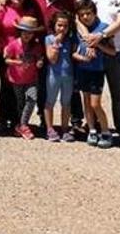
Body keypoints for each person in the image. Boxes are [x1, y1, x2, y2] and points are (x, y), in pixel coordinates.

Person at [78, 0, 120, 147]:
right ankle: (94, 128)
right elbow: (78, 20)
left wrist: (100, 36)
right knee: (90, 95)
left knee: (118, 94)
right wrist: (88, 39)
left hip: (115, 52)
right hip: (91, 53)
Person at [28, 0, 80, 130]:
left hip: (64, 48)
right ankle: (45, 120)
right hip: (39, 47)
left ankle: (75, 121)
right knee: (43, 85)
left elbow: (75, 23)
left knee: (71, 85)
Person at [0, 0, 41, 131]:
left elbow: (35, 31)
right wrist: (3, 47)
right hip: (5, 53)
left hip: (25, 54)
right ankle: (3, 117)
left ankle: (16, 119)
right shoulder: (2, 10)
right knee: (6, 86)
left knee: (20, 86)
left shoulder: (29, 12)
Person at [73, 0, 117, 149]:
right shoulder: (78, 29)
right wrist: (83, 57)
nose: (85, 17)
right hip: (82, 69)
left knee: (95, 103)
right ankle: (91, 130)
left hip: (97, 71)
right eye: (82, 14)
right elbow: (74, 50)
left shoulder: (103, 28)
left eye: (88, 14)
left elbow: (112, 51)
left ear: (94, 13)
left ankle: (105, 131)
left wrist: (97, 44)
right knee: (86, 101)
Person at [3, 16, 45, 140]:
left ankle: (24, 125)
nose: (27, 35)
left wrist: (40, 62)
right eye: (24, 32)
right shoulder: (14, 44)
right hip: (17, 79)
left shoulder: (36, 46)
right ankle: (20, 126)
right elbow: (6, 59)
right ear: (20, 32)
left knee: (32, 99)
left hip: (31, 79)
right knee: (20, 103)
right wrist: (17, 62)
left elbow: (40, 57)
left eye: (30, 33)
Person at [43, 11, 77, 143]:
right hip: (53, 75)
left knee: (66, 103)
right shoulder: (49, 39)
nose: (62, 29)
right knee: (50, 101)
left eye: (65, 26)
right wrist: (56, 44)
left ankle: (64, 128)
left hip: (68, 74)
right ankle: (50, 128)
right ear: (54, 25)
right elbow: (52, 59)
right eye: (59, 25)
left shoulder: (70, 40)